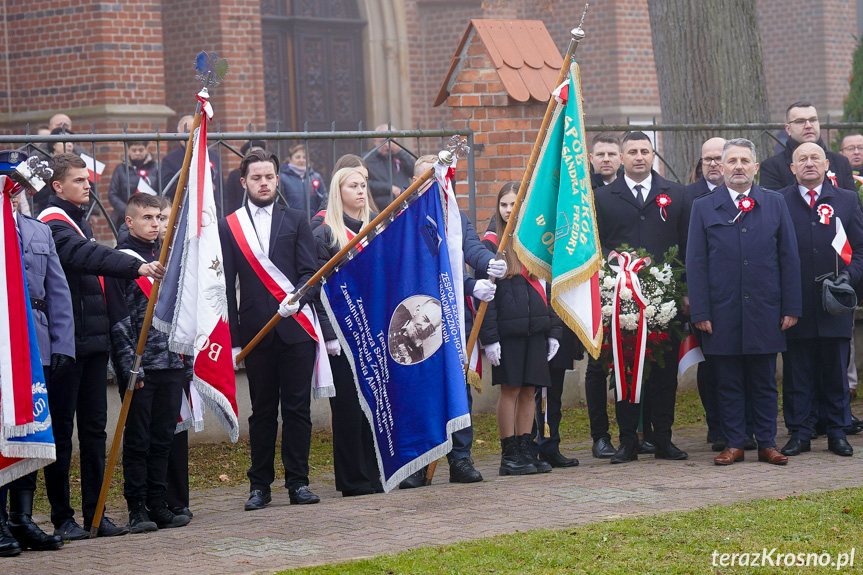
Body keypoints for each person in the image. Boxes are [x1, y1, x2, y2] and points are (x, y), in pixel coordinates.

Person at [37, 153, 164, 539]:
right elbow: (84, 257)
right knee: (61, 432)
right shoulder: (52, 224)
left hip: (92, 344)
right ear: (57, 187)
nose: (87, 185)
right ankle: (62, 516)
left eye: (87, 179)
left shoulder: (80, 221)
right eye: (78, 180)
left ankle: (96, 514)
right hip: (65, 346)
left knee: (94, 431)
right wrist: (133, 266)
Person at [687, 138, 802, 467]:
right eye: (732, 161)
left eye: (745, 161)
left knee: (764, 382)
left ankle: (767, 442)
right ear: (721, 168)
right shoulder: (703, 207)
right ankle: (735, 442)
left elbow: (788, 258)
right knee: (728, 382)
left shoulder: (774, 203)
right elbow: (696, 263)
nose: (739, 166)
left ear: (755, 167)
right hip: (721, 313)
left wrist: (791, 307)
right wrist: (702, 311)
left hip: (765, 310)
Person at [219, 149, 321, 511]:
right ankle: (259, 486)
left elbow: (311, 274)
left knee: (297, 411)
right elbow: (224, 287)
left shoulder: (296, 219)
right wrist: (232, 341)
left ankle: (299, 483)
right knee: (262, 412)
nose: (263, 183)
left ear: (278, 180)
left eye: (269, 177)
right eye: (256, 178)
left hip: (295, 330)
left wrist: (300, 298)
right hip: (255, 334)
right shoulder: (229, 225)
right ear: (244, 182)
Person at [397, 155, 503, 488]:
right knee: (420, 390)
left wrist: (488, 266)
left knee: (458, 389)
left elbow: (470, 250)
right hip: (416, 318)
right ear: (413, 181)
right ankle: (418, 463)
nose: (433, 182)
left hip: (454, 320)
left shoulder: (456, 217)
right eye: (425, 177)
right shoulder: (400, 217)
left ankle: (460, 459)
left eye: (438, 176)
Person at [593, 131, 691, 464]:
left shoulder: (676, 195)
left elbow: (688, 245)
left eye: (644, 151)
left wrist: (685, 291)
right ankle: (628, 441)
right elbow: (596, 242)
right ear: (620, 158)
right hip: (620, 301)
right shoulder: (604, 198)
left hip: (666, 301)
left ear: (654, 155)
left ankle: (662, 438)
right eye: (631, 151)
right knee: (625, 371)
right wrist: (617, 266)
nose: (638, 156)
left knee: (664, 373)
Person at [104, 193, 191, 532]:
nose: (155, 224)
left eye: (158, 217)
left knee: (163, 439)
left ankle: (159, 504)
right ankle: (137, 508)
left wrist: (187, 359)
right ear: (129, 221)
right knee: (138, 441)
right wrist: (128, 366)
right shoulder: (120, 260)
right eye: (147, 218)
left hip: (170, 362)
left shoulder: (167, 257)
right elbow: (119, 319)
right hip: (141, 367)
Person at [0, 187, 74, 554]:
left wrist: (62, 344)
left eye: (15, 190)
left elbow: (57, 289)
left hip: (38, 342)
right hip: (3, 344)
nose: (12, 196)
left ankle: (22, 518)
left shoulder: (38, 230)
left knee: (34, 426)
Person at [775, 143, 862, 457]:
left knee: (835, 371)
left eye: (815, 158)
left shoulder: (848, 200)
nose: (809, 163)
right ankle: (799, 433)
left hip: (834, 303)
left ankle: (838, 432)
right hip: (796, 303)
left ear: (827, 164)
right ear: (792, 168)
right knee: (797, 371)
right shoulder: (779, 201)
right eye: (802, 159)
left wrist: (848, 278)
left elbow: (860, 249)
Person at [481, 182, 561, 476]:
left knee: (531, 391)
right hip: (508, 333)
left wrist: (554, 330)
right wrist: (489, 339)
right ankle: (509, 454)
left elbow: (548, 290)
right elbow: (484, 297)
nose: (508, 209)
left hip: (536, 330)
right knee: (511, 391)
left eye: (514, 204)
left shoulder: (536, 242)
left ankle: (526, 449)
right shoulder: (490, 244)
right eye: (504, 204)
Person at [313, 166, 382, 496]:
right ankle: (353, 479)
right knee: (348, 409)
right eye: (352, 185)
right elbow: (318, 289)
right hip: (341, 332)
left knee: (373, 404)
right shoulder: (325, 234)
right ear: (338, 192)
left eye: (363, 185)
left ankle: (375, 472)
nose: (359, 190)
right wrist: (328, 334)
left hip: (374, 329)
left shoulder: (378, 227)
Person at [684, 137, 732, 450]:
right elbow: (683, 248)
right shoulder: (686, 197)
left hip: (740, 294)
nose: (713, 164)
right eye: (708, 159)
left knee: (742, 363)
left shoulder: (749, 195)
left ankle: (743, 425)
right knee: (711, 362)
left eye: (719, 158)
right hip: (704, 296)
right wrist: (689, 294)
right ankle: (716, 426)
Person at [583, 133, 623, 459]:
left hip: (633, 282)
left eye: (612, 153)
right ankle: (600, 436)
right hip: (595, 287)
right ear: (592, 158)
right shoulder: (581, 195)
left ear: (620, 158)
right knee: (598, 367)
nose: (606, 159)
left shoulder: (631, 190)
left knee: (635, 360)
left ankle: (635, 432)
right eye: (601, 154)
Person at [759, 101, 855, 192]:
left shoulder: (841, 162)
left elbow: (854, 205)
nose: (808, 126)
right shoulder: (772, 167)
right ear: (788, 129)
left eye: (813, 120)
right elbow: (772, 206)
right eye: (800, 121)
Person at [838, 132, 863, 421]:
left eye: (860, 147)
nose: (856, 152)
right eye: (851, 148)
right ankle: (849, 386)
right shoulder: (844, 186)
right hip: (849, 264)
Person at [160, 115, 222, 200]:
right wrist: (195, 186)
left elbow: (221, 188)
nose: (192, 136)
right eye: (188, 132)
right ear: (179, 134)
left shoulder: (212, 156)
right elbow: (167, 187)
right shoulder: (170, 160)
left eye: (195, 131)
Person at [107, 141, 160, 228]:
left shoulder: (155, 168)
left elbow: (162, 191)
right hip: (124, 218)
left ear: (146, 149)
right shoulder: (120, 169)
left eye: (141, 150)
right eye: (134, 150)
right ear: (128, 150)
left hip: (151, 217)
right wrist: (129, 211)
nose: (137, 153)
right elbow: (112, 195)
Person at [366, 124, 415, 211]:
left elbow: (414, 173)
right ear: (375, 141)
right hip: (380, 208)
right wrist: (389, 188)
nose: (386, 145)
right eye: (382, 141)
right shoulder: (368, 159)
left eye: (390, 141)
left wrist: (400, 152)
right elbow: (366, 184)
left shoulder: (401, 156)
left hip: (405, 205)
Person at [280, 143, 328, 216]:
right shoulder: (282, 178)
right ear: (289, 159)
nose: (301, 160)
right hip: (291, 222)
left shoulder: (316, 177)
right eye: (298, 157)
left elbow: (325, 200)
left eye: (305, 157)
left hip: (313, 222)